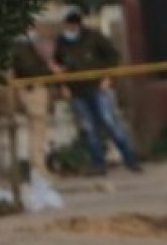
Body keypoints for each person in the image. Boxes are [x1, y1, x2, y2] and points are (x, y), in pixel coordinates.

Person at [53, 11, 142, 175]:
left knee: (110, 123)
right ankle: (98, 164)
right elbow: (59, 64)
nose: (69, 29)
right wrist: (63, 85)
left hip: (98, 88)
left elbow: (113, 56)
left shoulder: (93, 37)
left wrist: (108, 78)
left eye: (72, 26)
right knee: (89, 129)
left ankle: (130, 159)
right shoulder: (62, 42)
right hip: (77, 91)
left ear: (78, 25)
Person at [11, 25, 55, 177]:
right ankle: (38, 167)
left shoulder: (27, 45)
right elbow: (28, 69)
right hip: (33, 89)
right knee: (37, 128)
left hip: (37, 88)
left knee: (39, 128)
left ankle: (38, 165)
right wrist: (49, 70)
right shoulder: (20, 47)